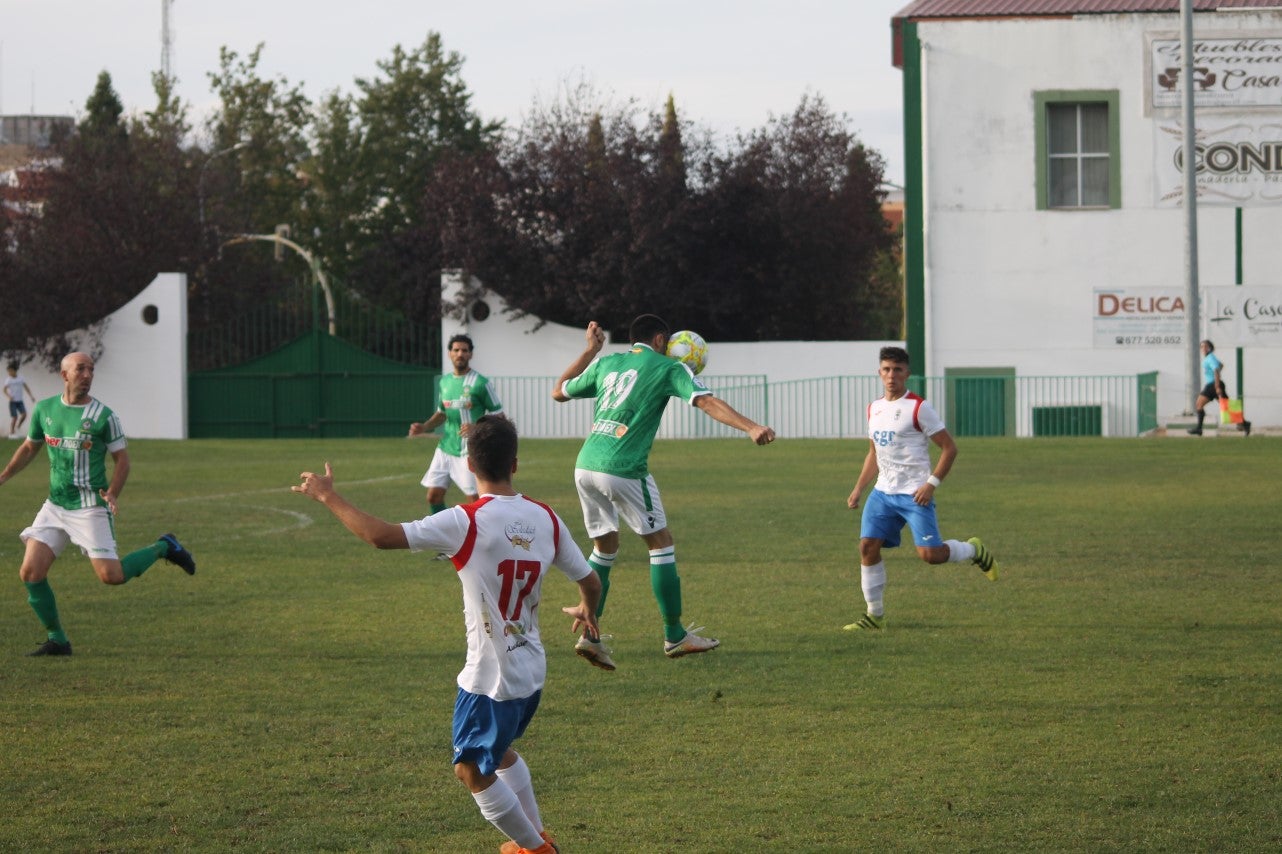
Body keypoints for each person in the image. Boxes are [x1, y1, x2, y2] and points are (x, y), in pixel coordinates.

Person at [292, 416, 600, 854]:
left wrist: (328, 495)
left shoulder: (466, 521)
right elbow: (590, 580)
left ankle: (536, 848)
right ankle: (534, 836)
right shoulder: (546, 518)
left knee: (472, 768)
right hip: (530, 669)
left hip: (491, 677)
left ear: (470, 466)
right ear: (515, 463)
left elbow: (381, 537)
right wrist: (588, 609)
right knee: (500, 751)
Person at [552, 314, 776, 664]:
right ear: (660, 340)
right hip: (622, 467)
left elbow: (558, 391)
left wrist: (590, 351)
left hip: (585, 466)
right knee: (660, 544)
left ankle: (590, 637)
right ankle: (675, 635)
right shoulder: (669, 367)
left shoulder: (608, 362)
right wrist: (750, 426)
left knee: (605, 547)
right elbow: (706, 402)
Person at [0, 352, 196, 657]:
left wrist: (113, 492)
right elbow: (29, 447)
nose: (87, 374)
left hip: (90, 506)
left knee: (111, 576)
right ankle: (58, 641)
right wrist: (4, 476)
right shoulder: (45, 410)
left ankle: (164, 546)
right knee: (30, 573)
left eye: (91, 369)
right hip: (55, 505)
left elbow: (123, 461)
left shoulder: (104, 416)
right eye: (81, 369)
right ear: (64, 375)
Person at [843, 346, 997, 631]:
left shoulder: (918, 407)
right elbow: (874, 453)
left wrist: (931, 484)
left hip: (915, 493)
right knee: (867, 547)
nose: (892, 376)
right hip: (883, 493)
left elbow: (949, 449)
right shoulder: (874, 408)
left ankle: (973, 550)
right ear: (879, 373)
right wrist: (858, 489)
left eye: (898, 370)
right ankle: (874, 616)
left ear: (907, 374)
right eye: (887, 369)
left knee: (930, 555)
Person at [409, 334, 504, 512]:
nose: (460, 354)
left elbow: (500, 417)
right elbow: (441, 413)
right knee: (433, 496)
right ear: (450, 353)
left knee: (475, 501)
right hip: (445, 448)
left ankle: (478, 537)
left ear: (471, 355)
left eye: (464, 350)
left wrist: (477, 428)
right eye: (456, 350)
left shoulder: (481, 383)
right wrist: (424, 427)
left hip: (469, 450)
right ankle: (444, 533)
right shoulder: (444, 382)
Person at [1187, 340, 1238, 436]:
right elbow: (1221, 365)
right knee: (1227, 407)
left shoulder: (1210, 358)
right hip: (1213, 384)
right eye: (1201, 347)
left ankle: (1199, 429)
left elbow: (1216, 369)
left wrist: (1217, 386)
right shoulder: (1210, 358)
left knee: (1199, 404)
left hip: (1213, 385)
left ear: (1210, 348)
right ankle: (1244, 424)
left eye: (1205, 346)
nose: (1203, 349)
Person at [5, 361, 36, 438]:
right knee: (14, 417)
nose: (9, 373)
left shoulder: (21, 378)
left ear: (14, 370)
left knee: (24, 414)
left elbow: (26, 387)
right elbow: (4, 390)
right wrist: (9, 396)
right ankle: (11, 433)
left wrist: (31, 396)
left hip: (20, 401)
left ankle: (18, 427)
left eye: (10, 371)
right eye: (8, 371)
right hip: (12, 401)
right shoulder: (8, 380)